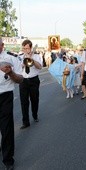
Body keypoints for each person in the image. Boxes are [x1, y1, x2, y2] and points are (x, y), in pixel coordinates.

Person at [0, 38, 23, 170]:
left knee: (6, 129)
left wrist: (11, 72)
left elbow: (20, 79)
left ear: (2, 46)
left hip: (5, 96)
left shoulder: (11, 59)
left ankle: (8, 159)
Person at [19, 40, 43, 129]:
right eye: (24, 48)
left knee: (34, 99)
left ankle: (35, 114)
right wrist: (23, 62)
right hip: (23, 81)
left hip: (34, 80)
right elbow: (17, 68)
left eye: (27, 48)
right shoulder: (20, 56)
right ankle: (25, 122)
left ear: (31, 48)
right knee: (24, 102)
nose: (25, 50)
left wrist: (32, 60)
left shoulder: (37, 55)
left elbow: (40, 67)